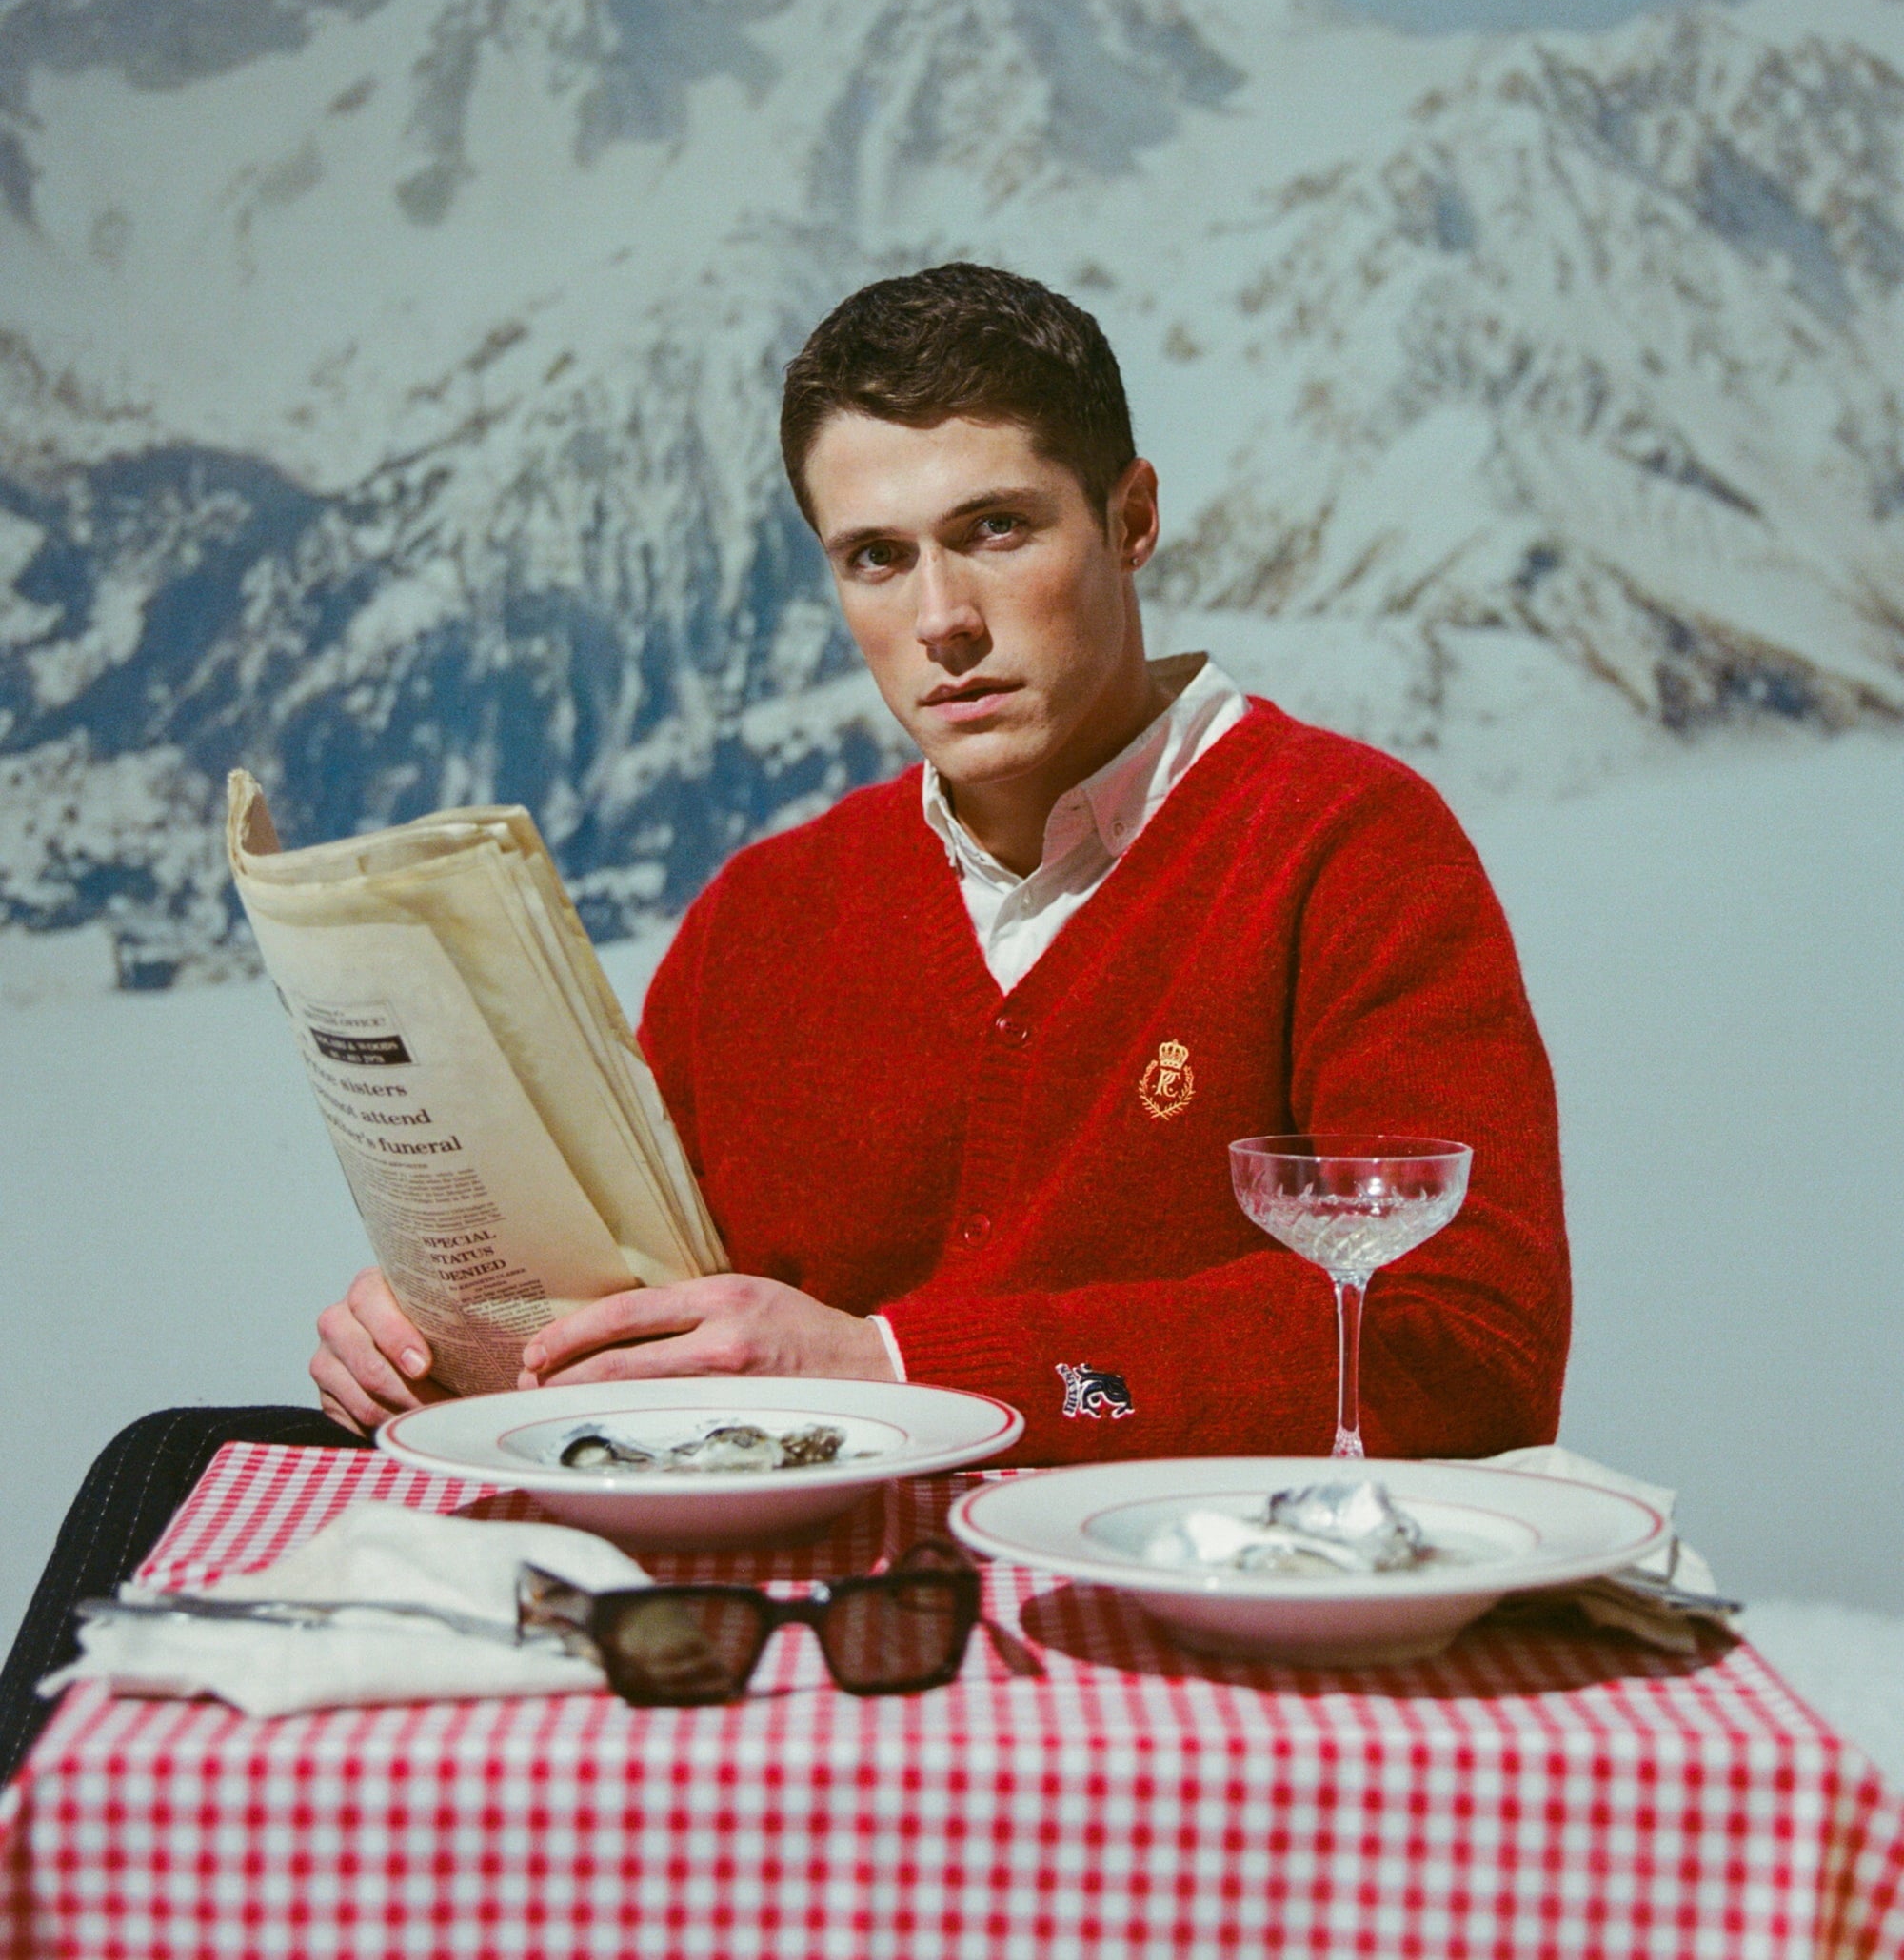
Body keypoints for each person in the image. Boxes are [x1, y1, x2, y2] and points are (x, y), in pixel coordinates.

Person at [0, 263, 1568, 1772]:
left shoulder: (1341, 844)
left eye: (997, 529)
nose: (942, 614)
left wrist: (896, 1359)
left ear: (1134, 519)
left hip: (1131, 1607)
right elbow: (658, 1310)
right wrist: (455, 1342)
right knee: (170, 1462)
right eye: (875, 556)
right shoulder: (766, 911)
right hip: (777, 1612)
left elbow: (1470, 1345)